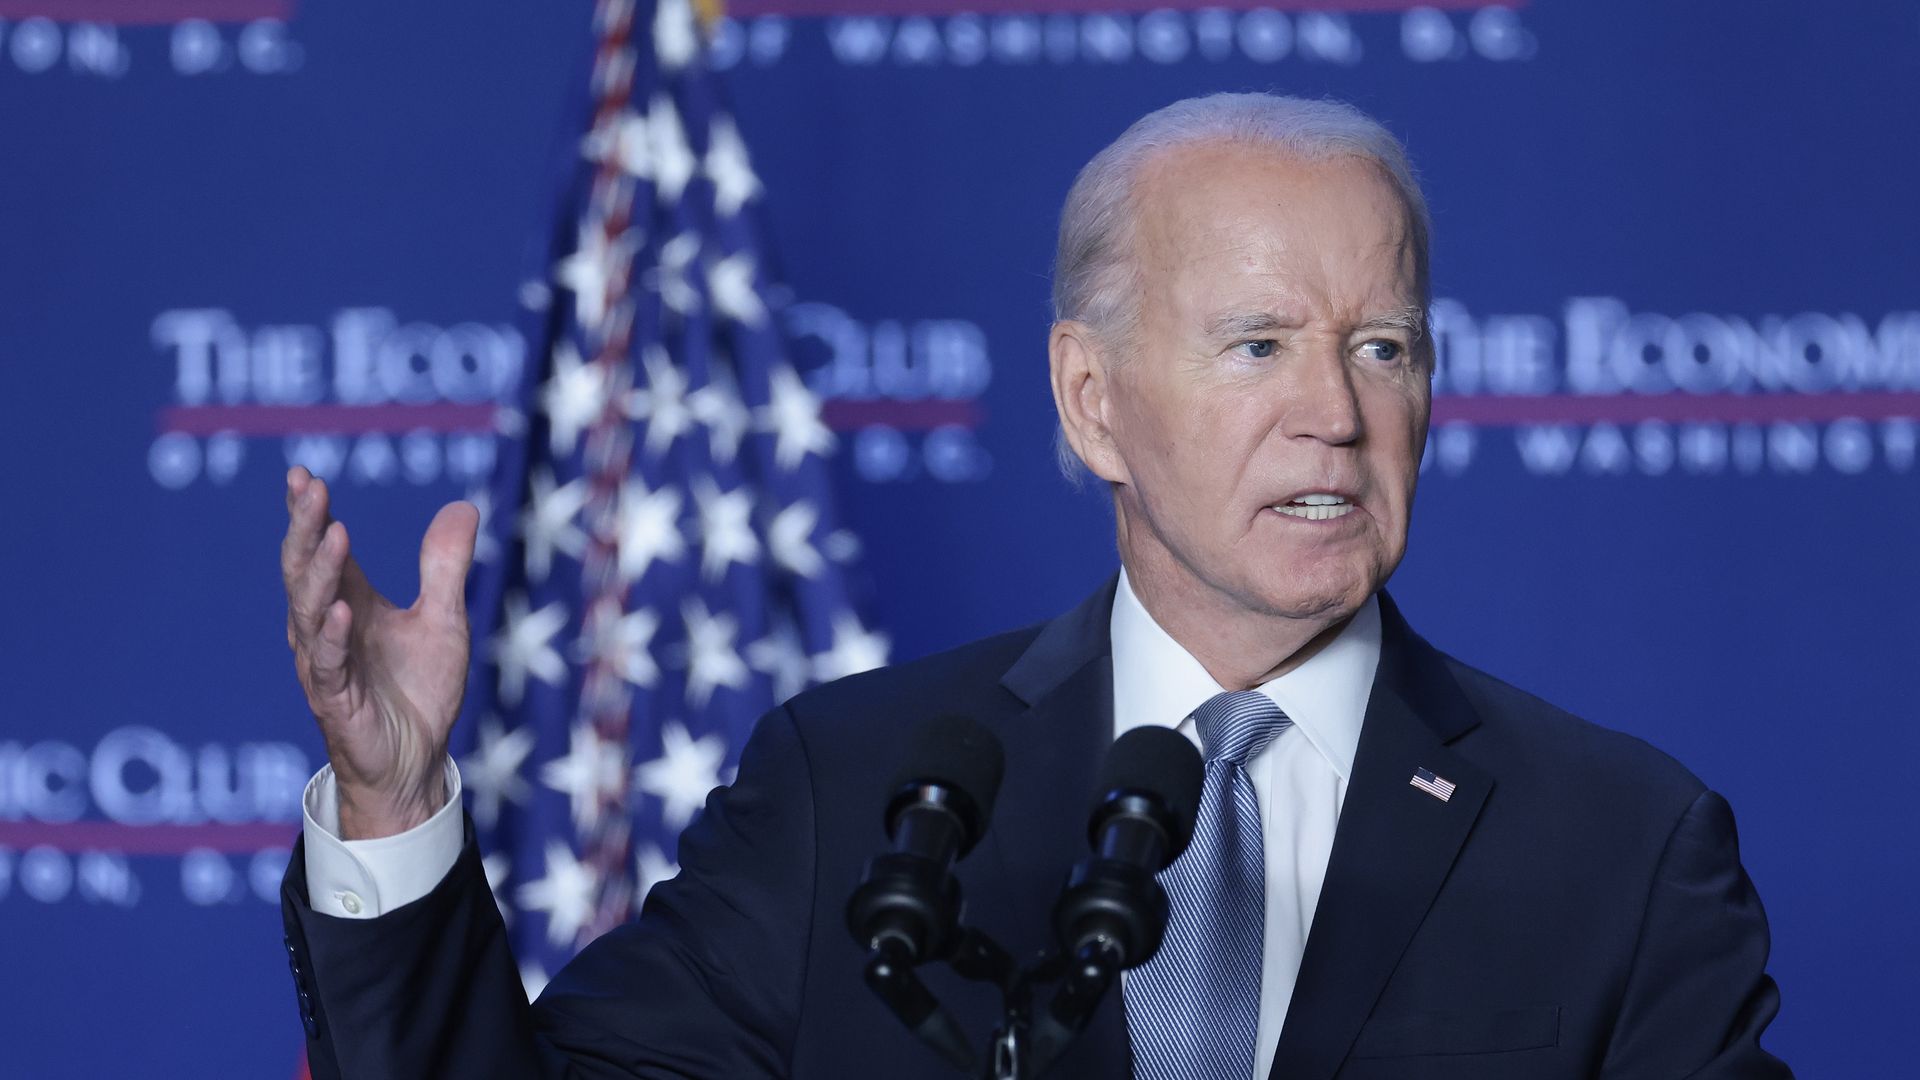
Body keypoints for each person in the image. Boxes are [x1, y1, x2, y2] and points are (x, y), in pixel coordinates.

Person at [278, 93, 1792, 1079]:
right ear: (1090, 402)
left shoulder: (1627, 850)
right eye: (1259, 344)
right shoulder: (855, 791)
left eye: (1382, 346)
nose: (1336, 409)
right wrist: (400, 808)